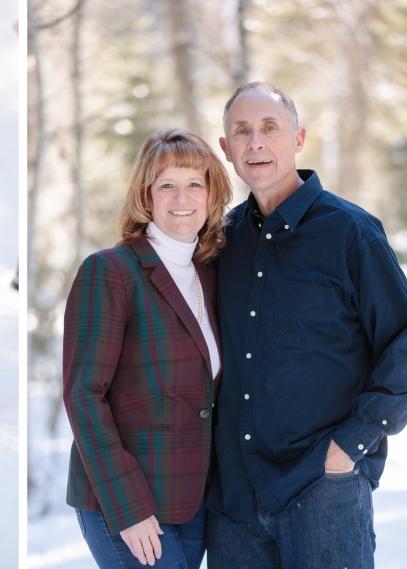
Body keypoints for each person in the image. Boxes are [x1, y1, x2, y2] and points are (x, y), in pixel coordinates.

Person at [206, 81, 407, 569]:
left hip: (322, 491)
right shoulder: (219, 242)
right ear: (226, 148)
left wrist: (350, 447)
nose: (256, 142)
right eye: (242, 131)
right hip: (234, 502)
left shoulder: (350, 232)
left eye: (269, 128)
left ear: (297, 138)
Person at [63, 128, 232, 568]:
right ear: (146, 195)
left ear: (212, 194)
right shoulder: (111, 272)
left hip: (190, 499)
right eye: (167, 184)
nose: (183, 197)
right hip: (123, 502)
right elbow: (84, 394)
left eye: (195, 183)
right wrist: (129, 508)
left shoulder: (211, 277)